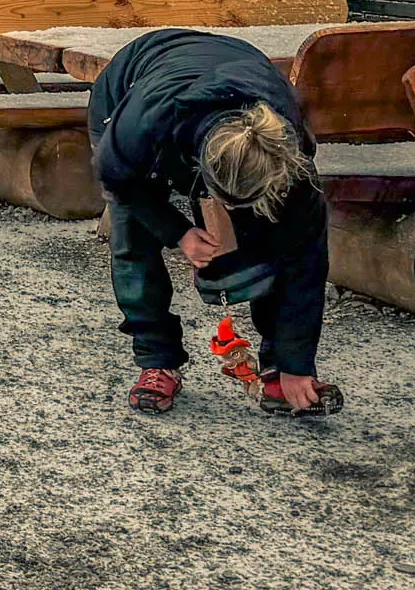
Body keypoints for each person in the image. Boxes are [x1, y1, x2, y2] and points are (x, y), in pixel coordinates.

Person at [89, 28, 337, 417]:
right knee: (133, 236)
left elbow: (306, 259)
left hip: (238, 63)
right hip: (135, 79)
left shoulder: (292, 155)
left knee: (272, 233)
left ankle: (277, 367)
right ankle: (157, 360)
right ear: (201, 172)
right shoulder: (143, 124)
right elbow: (118, 180)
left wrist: (297, 362)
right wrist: (178, 232)